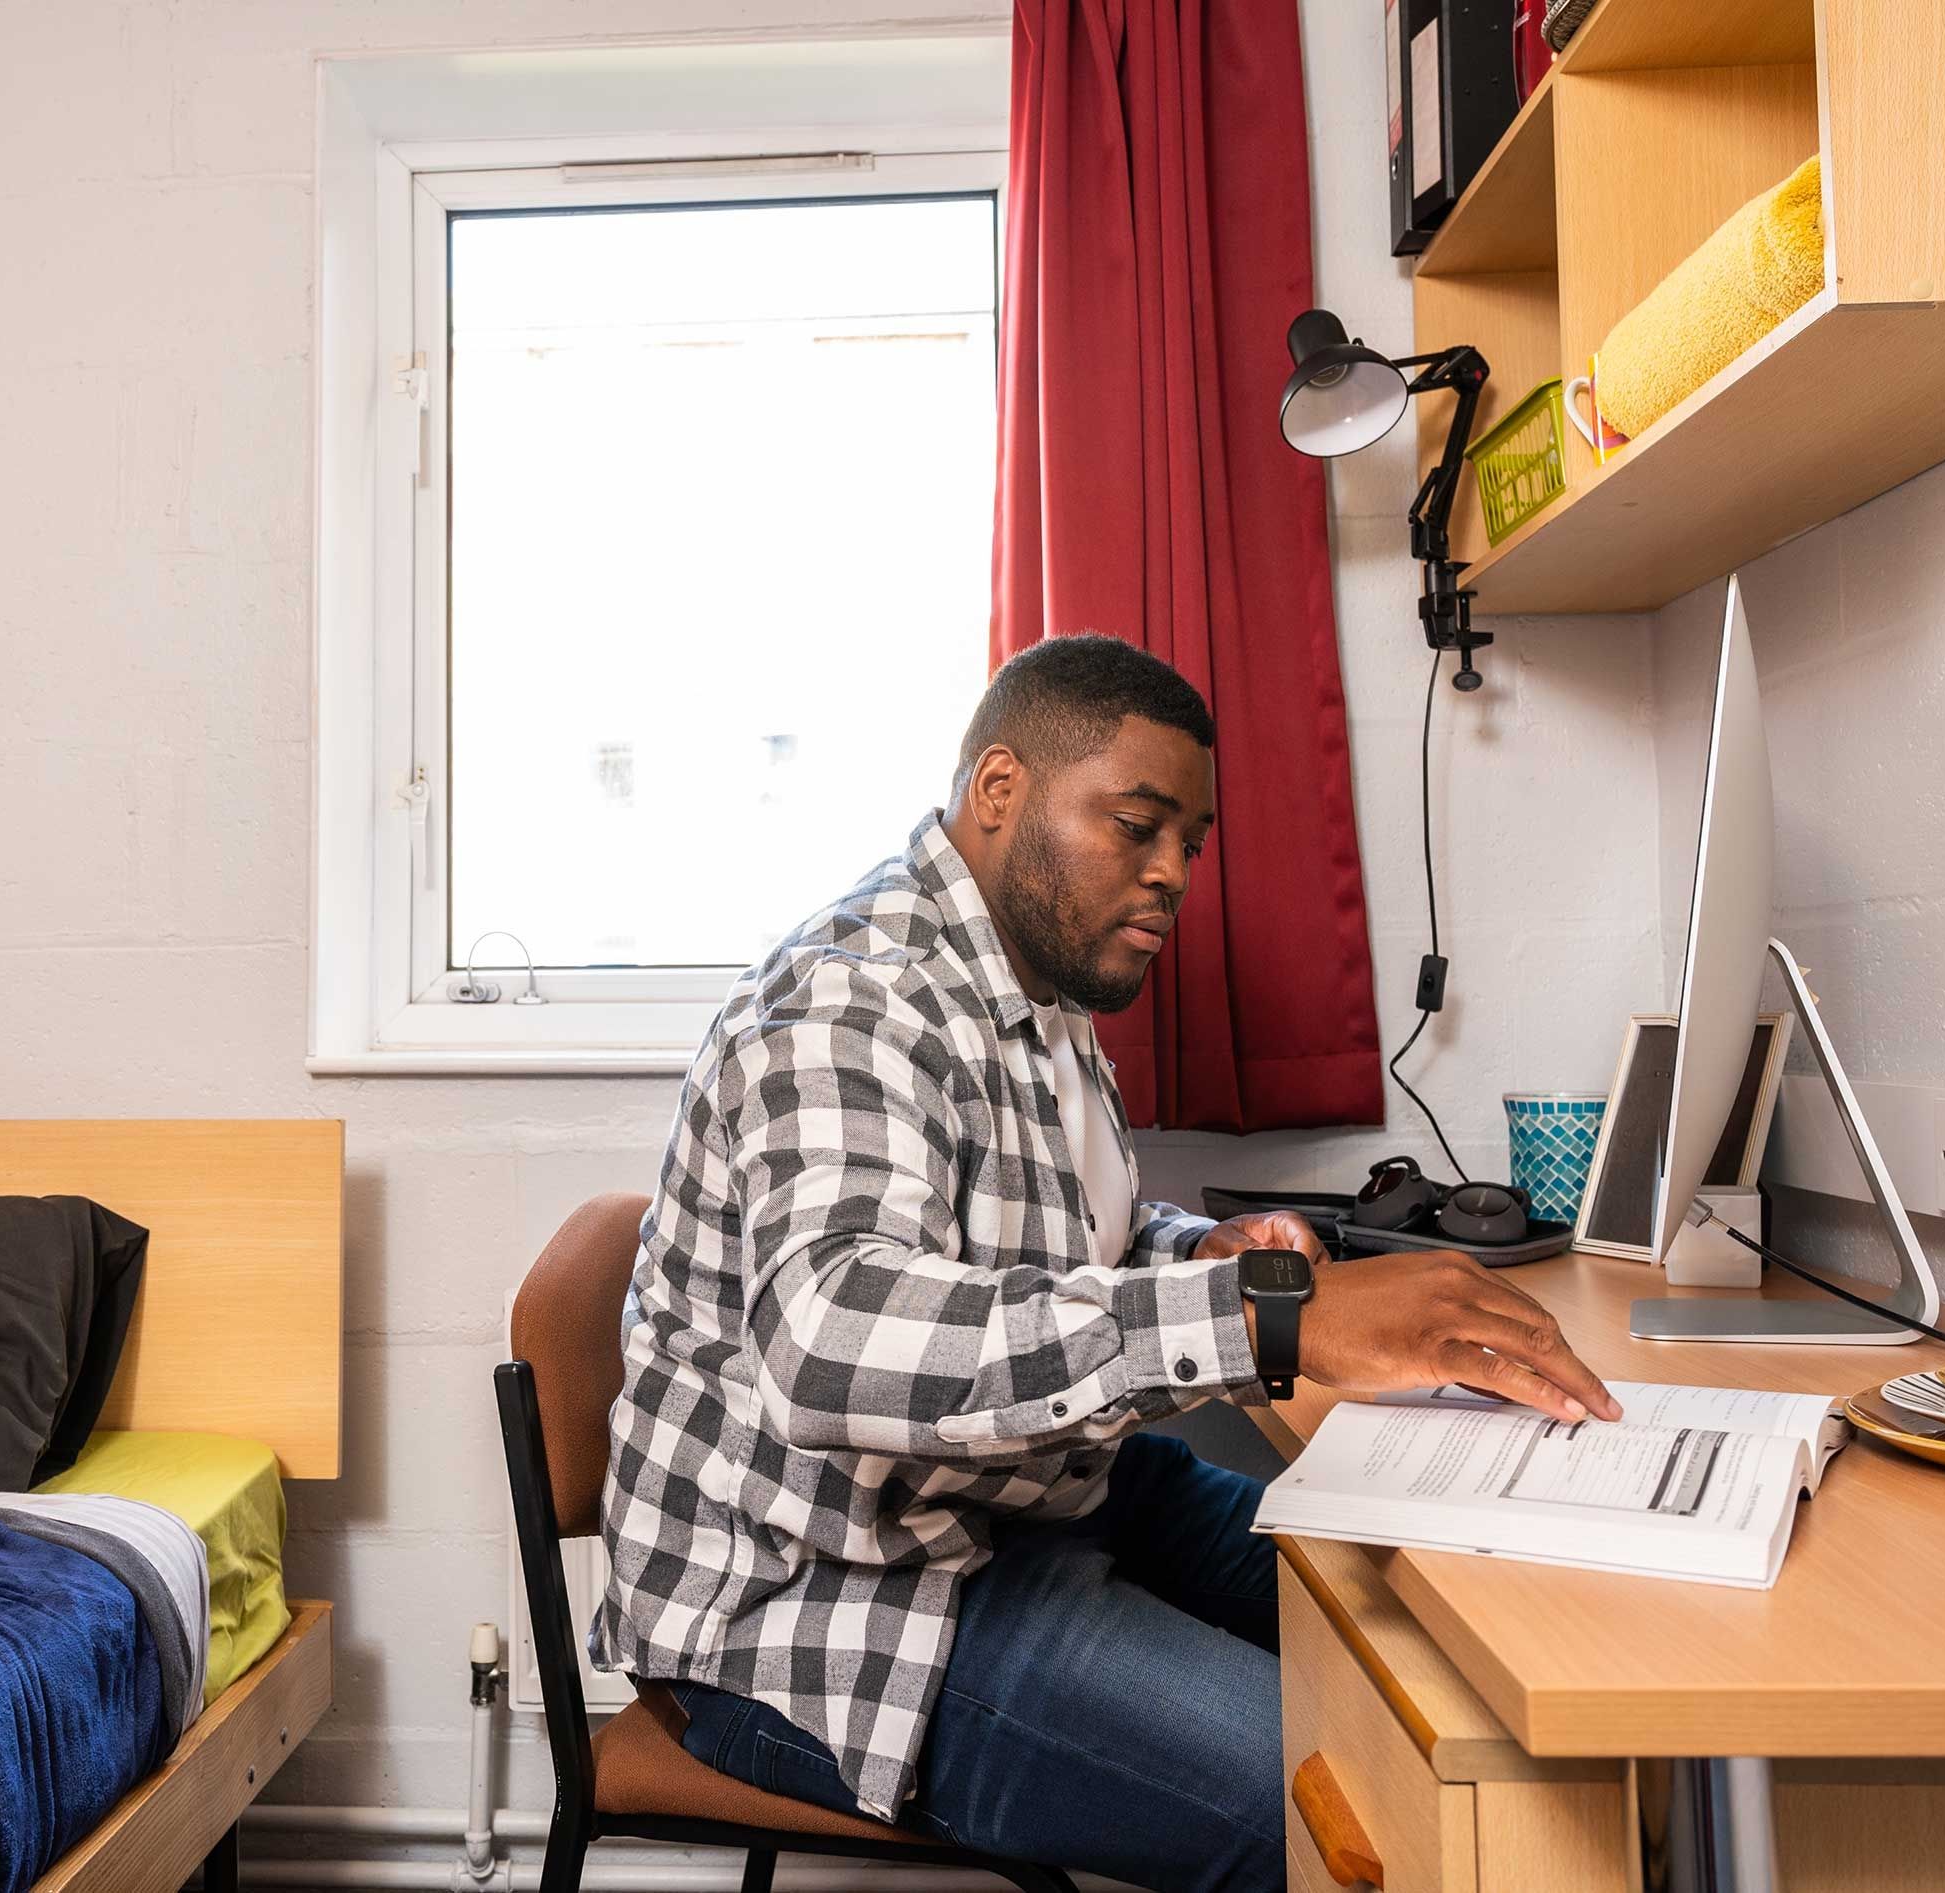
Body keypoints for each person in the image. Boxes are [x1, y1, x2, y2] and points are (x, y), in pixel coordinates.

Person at [591, 635, 1617, 1892]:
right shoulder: (851, 1004)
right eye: (1137, 825)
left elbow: (1076, 1252)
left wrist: (1209, 1250)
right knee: (1388, 1809)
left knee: (1425, 1605)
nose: (1173, 873)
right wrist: (1264, 1318)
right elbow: (833, 1337)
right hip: (830, 1599)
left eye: (1191, 841)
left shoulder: (1039, 990)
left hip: (1025, 1501)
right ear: (1000, 791)